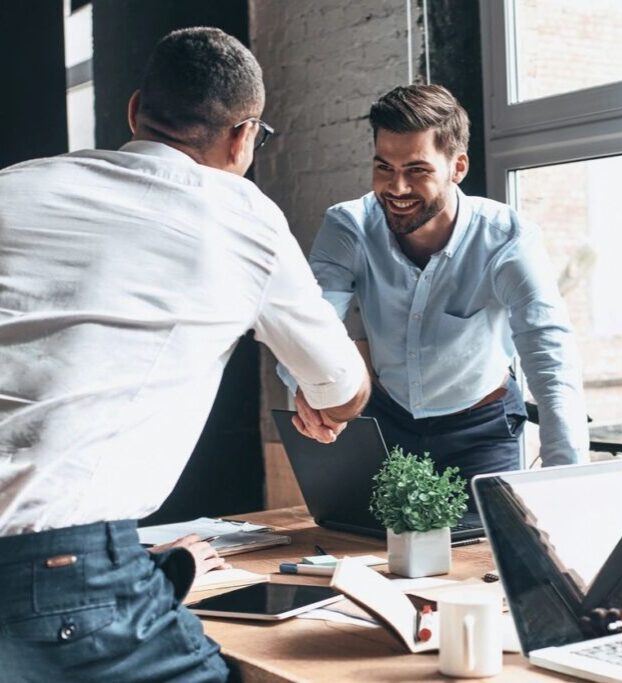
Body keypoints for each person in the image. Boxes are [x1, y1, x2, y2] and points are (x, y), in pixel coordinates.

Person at [0, 28, 369, 682]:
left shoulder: (16, 187)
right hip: (63, 579)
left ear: (135, 111)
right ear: (243, 136)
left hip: (74, 565)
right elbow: (345, 391)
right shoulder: (239, 214)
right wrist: (316, 392)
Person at [284, 84, 588, 487]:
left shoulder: (507, 238)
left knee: (486, 548)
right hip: (386, 420)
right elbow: (310, 322)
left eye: (417, 170)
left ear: (457, 167)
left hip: (480, 430)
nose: (396, 188)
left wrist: (566, 479)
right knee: (368, 545)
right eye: (384, 168)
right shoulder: (349, 226)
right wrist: (307, 390)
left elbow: (550, 356)